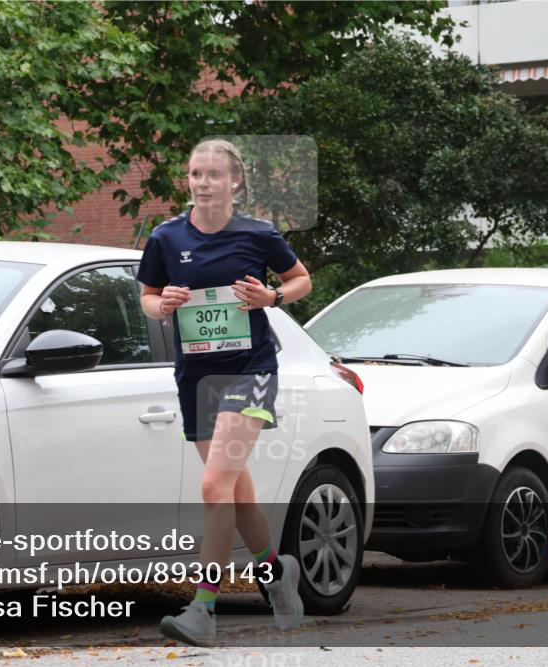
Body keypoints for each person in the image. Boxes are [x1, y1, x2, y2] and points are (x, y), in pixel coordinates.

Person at [136, 139, 313, 647]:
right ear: (187, 180)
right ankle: (276, 575)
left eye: (214, 174)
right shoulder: (167, 238)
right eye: (195, 174)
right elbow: (147, 298)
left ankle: (203, 607)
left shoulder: (257, 233)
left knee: (215, 485)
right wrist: (163, 304)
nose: (203, 182)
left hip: (250, 370)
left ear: (235, 181)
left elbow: (301, 279)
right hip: (195, 376)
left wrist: (271, 297)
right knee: (236, 493)